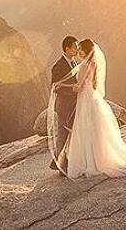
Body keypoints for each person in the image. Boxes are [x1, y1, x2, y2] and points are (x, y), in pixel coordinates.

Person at [52, 38, 126, 178]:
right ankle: (95, 158)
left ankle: (85, 161)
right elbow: (91, 84)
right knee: (93, 131)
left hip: (85, 99)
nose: (78, 51)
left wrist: (62, 85)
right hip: (90, 98)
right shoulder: (93, 64)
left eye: (80, 49)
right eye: (76, 48)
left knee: (85, 130)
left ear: (85, 51)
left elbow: (78, 87)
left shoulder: (84, 65)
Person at [48, 36, 79, 173]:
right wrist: (72, 88)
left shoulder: (73, 63)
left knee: (72, 134)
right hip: (64, 107)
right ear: (67, 49)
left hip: (74, 105)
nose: (77, 50)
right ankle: (60, 165)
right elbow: (55, 87)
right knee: (62, 135)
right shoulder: (58, 66)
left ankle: (60, 162)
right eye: (75, 47)